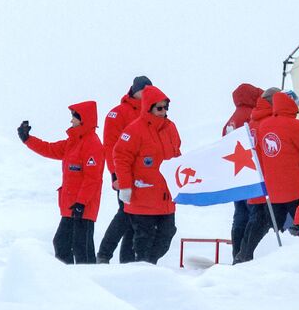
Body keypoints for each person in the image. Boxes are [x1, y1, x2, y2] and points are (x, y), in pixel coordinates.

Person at [18, 102, 104, 263]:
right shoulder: (73, 141)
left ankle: (88, 281)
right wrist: (27, 139)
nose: (71, 121)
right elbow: (49, 149)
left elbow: (93, 178)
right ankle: (67, 279)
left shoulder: (92, 144)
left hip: (83, 207)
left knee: (81, 249)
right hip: (72, 206)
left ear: (83, 119)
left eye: (74, 117)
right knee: (62, 244)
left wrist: (81, 203)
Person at [112, 86, 182, 264]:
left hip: (165, 198)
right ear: (149, 107)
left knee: (167, 235)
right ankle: (142, 272)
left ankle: (148, 266)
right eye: (159, 108)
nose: (163, 111)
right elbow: (120, 156)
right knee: (143, 239)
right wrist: (125, 186)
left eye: (166, 107)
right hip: (143, 196)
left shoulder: (171, 128)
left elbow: (177, 155)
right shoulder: (134, 130)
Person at [238, 90, 299, 262]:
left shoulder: (255, 122)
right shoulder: (266, 123)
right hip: (270, 184)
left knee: (256, 225)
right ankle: (249, 258)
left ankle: (243, 258)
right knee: (264, 227)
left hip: (260, 183)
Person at [97, 76, 150, 263]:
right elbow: (110, 145)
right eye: (144, 91)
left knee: (135, 218)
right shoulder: (118, 113)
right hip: (123, 172)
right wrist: (115, 173)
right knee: (126, 213)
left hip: (144, 176)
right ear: (134, 90)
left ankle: (127, 261)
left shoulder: (149, 114)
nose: (146, 95)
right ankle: (104, 254)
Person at [223, 83, 263, 258]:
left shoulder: (230, 121)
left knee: (239, 215)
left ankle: (236, 253)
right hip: (250, 172)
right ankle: (246, 254)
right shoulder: (252, 117)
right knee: (253, 215)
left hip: (235, 174)